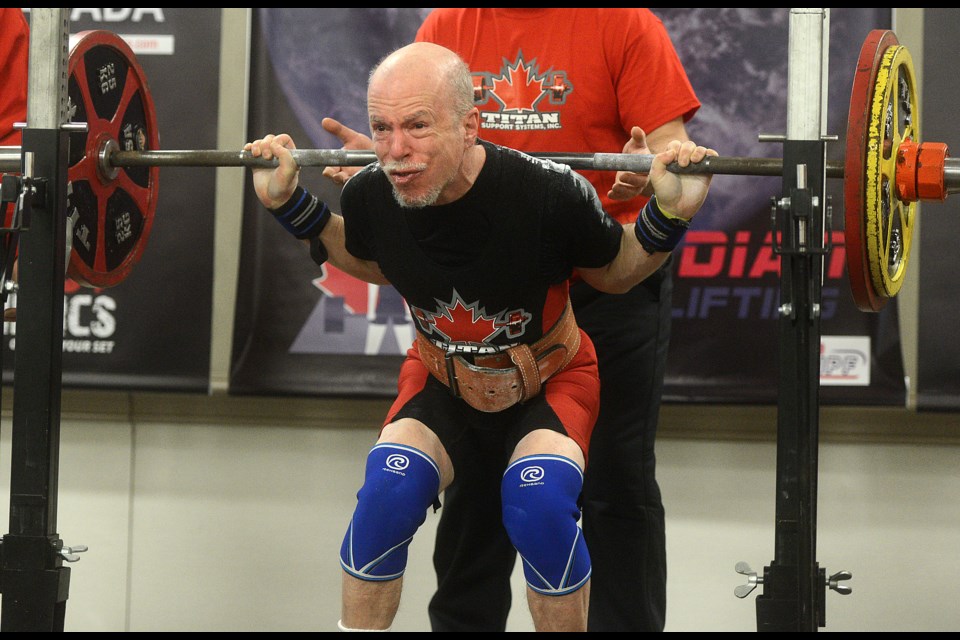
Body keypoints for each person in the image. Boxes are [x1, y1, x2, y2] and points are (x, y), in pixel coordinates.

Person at [246, 42, 714, 632]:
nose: (395, 150)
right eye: (382, 128)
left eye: (417, 126)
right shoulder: (374, 191)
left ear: (470, 126)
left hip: (551, 380)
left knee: (540, 511)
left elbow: (617, 271)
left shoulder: (548, 193)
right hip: (442, 382)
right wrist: (288, 203)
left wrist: (670, 215)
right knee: (385, 503)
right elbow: (372, 259)